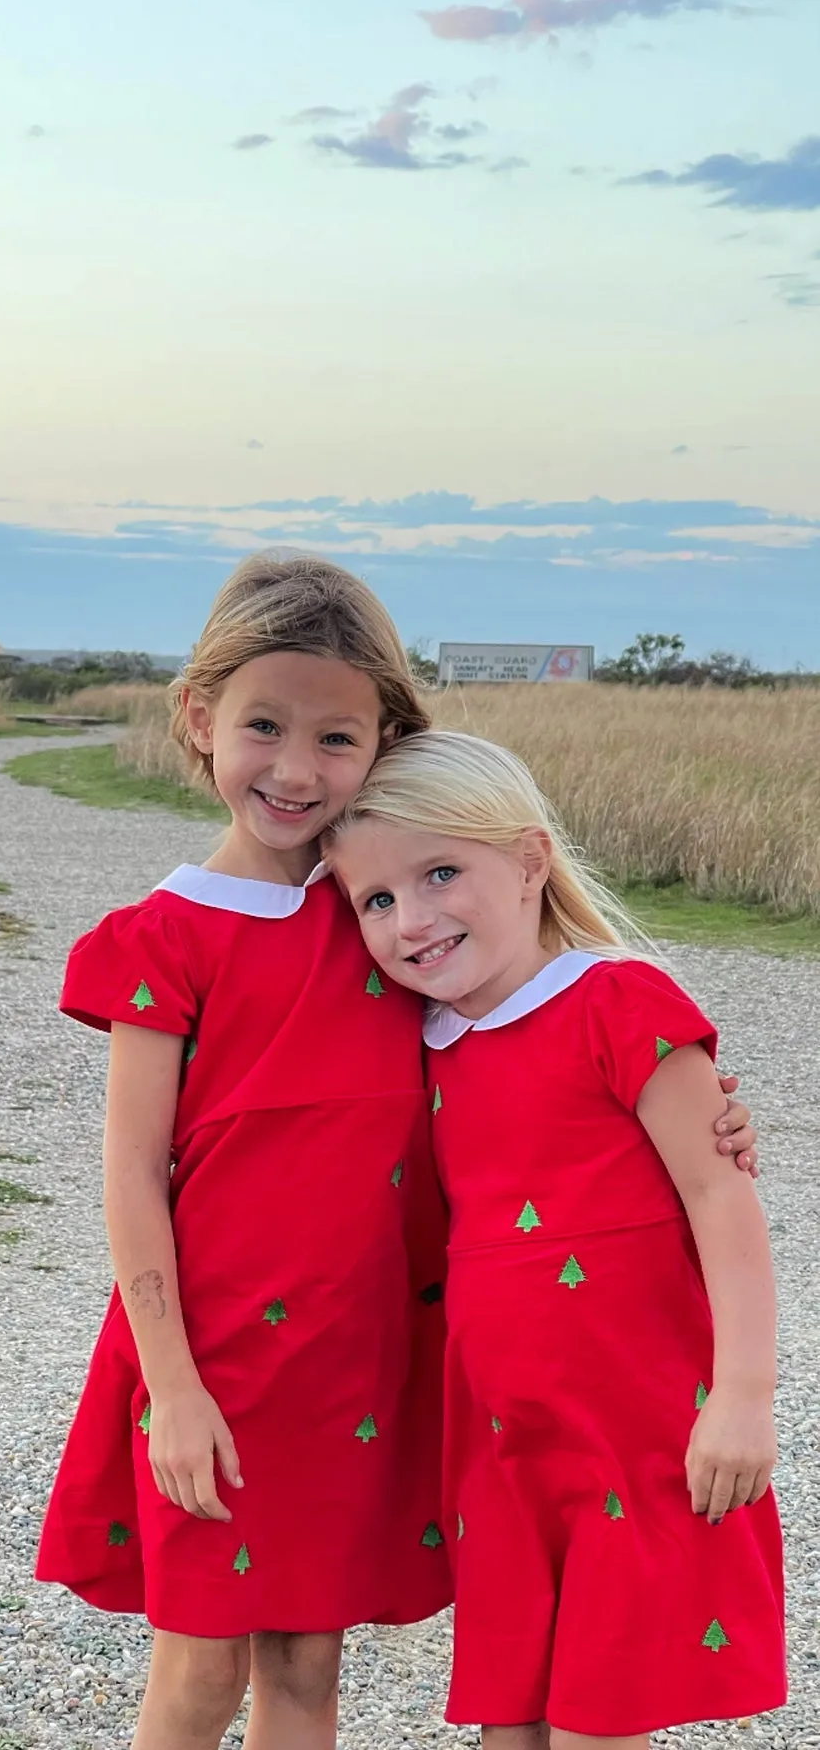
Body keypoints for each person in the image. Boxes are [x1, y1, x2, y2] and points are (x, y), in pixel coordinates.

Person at [35, 554, 758, 1750]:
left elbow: (538, 1061)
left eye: (336, 737)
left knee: (312, 1665)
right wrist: (170, 1389)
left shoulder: (388, 914)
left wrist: (706, 1114)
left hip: (355, 1359)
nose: (296, 767)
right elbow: (130, 1175)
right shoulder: (161, 936)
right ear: (200, 718)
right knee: (200, 1668)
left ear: (383, 741)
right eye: (264, 726)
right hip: (208, 1356)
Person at [327, 729, 786, 1750]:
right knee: (512, 1724)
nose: (415, 918)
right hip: (502, 1447)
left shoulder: (621, 1000)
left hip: (642, 1434)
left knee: (597, 1725)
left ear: (531, 861)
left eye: (442, 872)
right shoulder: (419, 1047)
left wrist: (746, 1395)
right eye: (378, 899)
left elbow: (722, 1198)